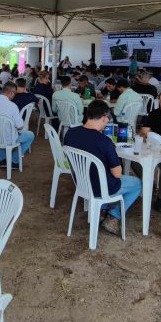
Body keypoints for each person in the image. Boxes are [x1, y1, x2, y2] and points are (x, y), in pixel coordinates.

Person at [64, 100, 142, 236]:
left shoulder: (70, 133)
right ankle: (113, 216)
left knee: (106, 173)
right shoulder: (104, 141)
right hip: (102, 188)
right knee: (137, 184)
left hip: (82, 184)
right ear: (105, 117)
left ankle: (102, 209)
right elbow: (117, 174)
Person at [0, 82, 35, 165]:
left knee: (3, 133)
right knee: (30, 135)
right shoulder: (12, 106)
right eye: (14, 94)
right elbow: (20, 126)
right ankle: (14, 160)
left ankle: (2, 159)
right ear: (11, 93)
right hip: (9, 140)